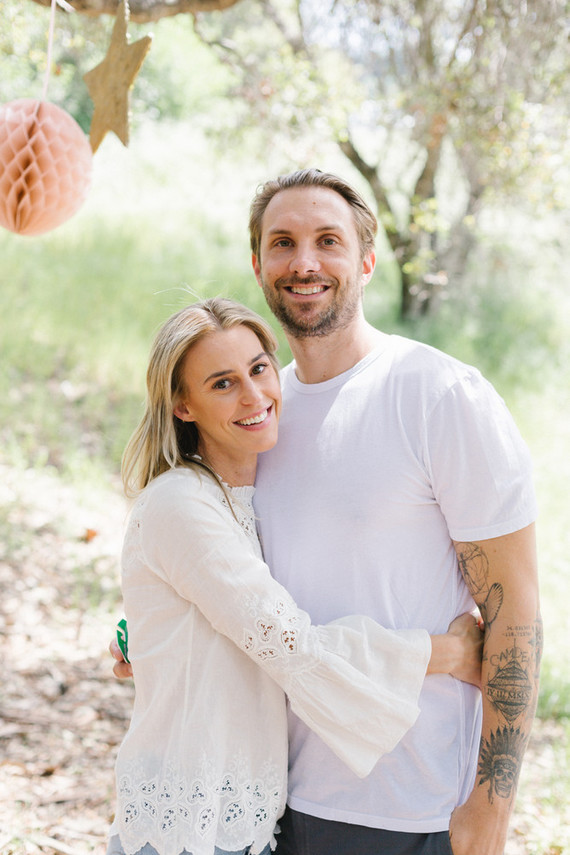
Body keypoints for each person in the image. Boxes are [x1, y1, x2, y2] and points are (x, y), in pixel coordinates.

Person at [113, 168, 540, 854]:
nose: (304, 262)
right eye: (282, 242)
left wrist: (490, 812)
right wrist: (149, 629)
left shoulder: (440, 396)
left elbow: (516, 612)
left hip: (410, 806)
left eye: (327, 240)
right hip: (274, 804)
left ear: (366, 260)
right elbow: (227, 568)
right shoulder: (259, 416)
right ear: (258, 265)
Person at [106, 297, 483, 855]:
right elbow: (294, 648)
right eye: (222, 384)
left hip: (252, 824)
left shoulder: (243, 498)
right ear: (182, 406)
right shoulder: (181, 504)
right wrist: (450, 655)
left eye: (259, 369)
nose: (255, 395)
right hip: (186, 825)